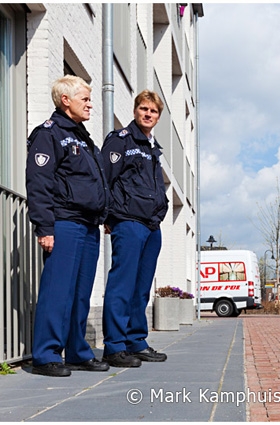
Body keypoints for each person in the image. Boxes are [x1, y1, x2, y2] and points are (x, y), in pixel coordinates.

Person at [26, 75, 110, 377]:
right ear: (65, 100)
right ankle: (46, 355)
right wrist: (45, 227)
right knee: (58, 291)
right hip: (64, 223)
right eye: (84, 99)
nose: (90, 105)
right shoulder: (49, 134)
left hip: (88, 226)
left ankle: (77, 352)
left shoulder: (83, 139)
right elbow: (39, 182)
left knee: (80, 294)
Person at [100, 90, 170, 367]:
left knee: (141, 288)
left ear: (158, 117)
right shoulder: (121, 140)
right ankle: (114, 346)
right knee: (122, 285)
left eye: (153, 111)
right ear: (135, 110)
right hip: (128, 222)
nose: (148, 114)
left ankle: (136, 341)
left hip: (151, 226)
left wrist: (161, 210)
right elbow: (105, 179)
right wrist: (108, 216)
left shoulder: (153, 148)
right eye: (143, 108)